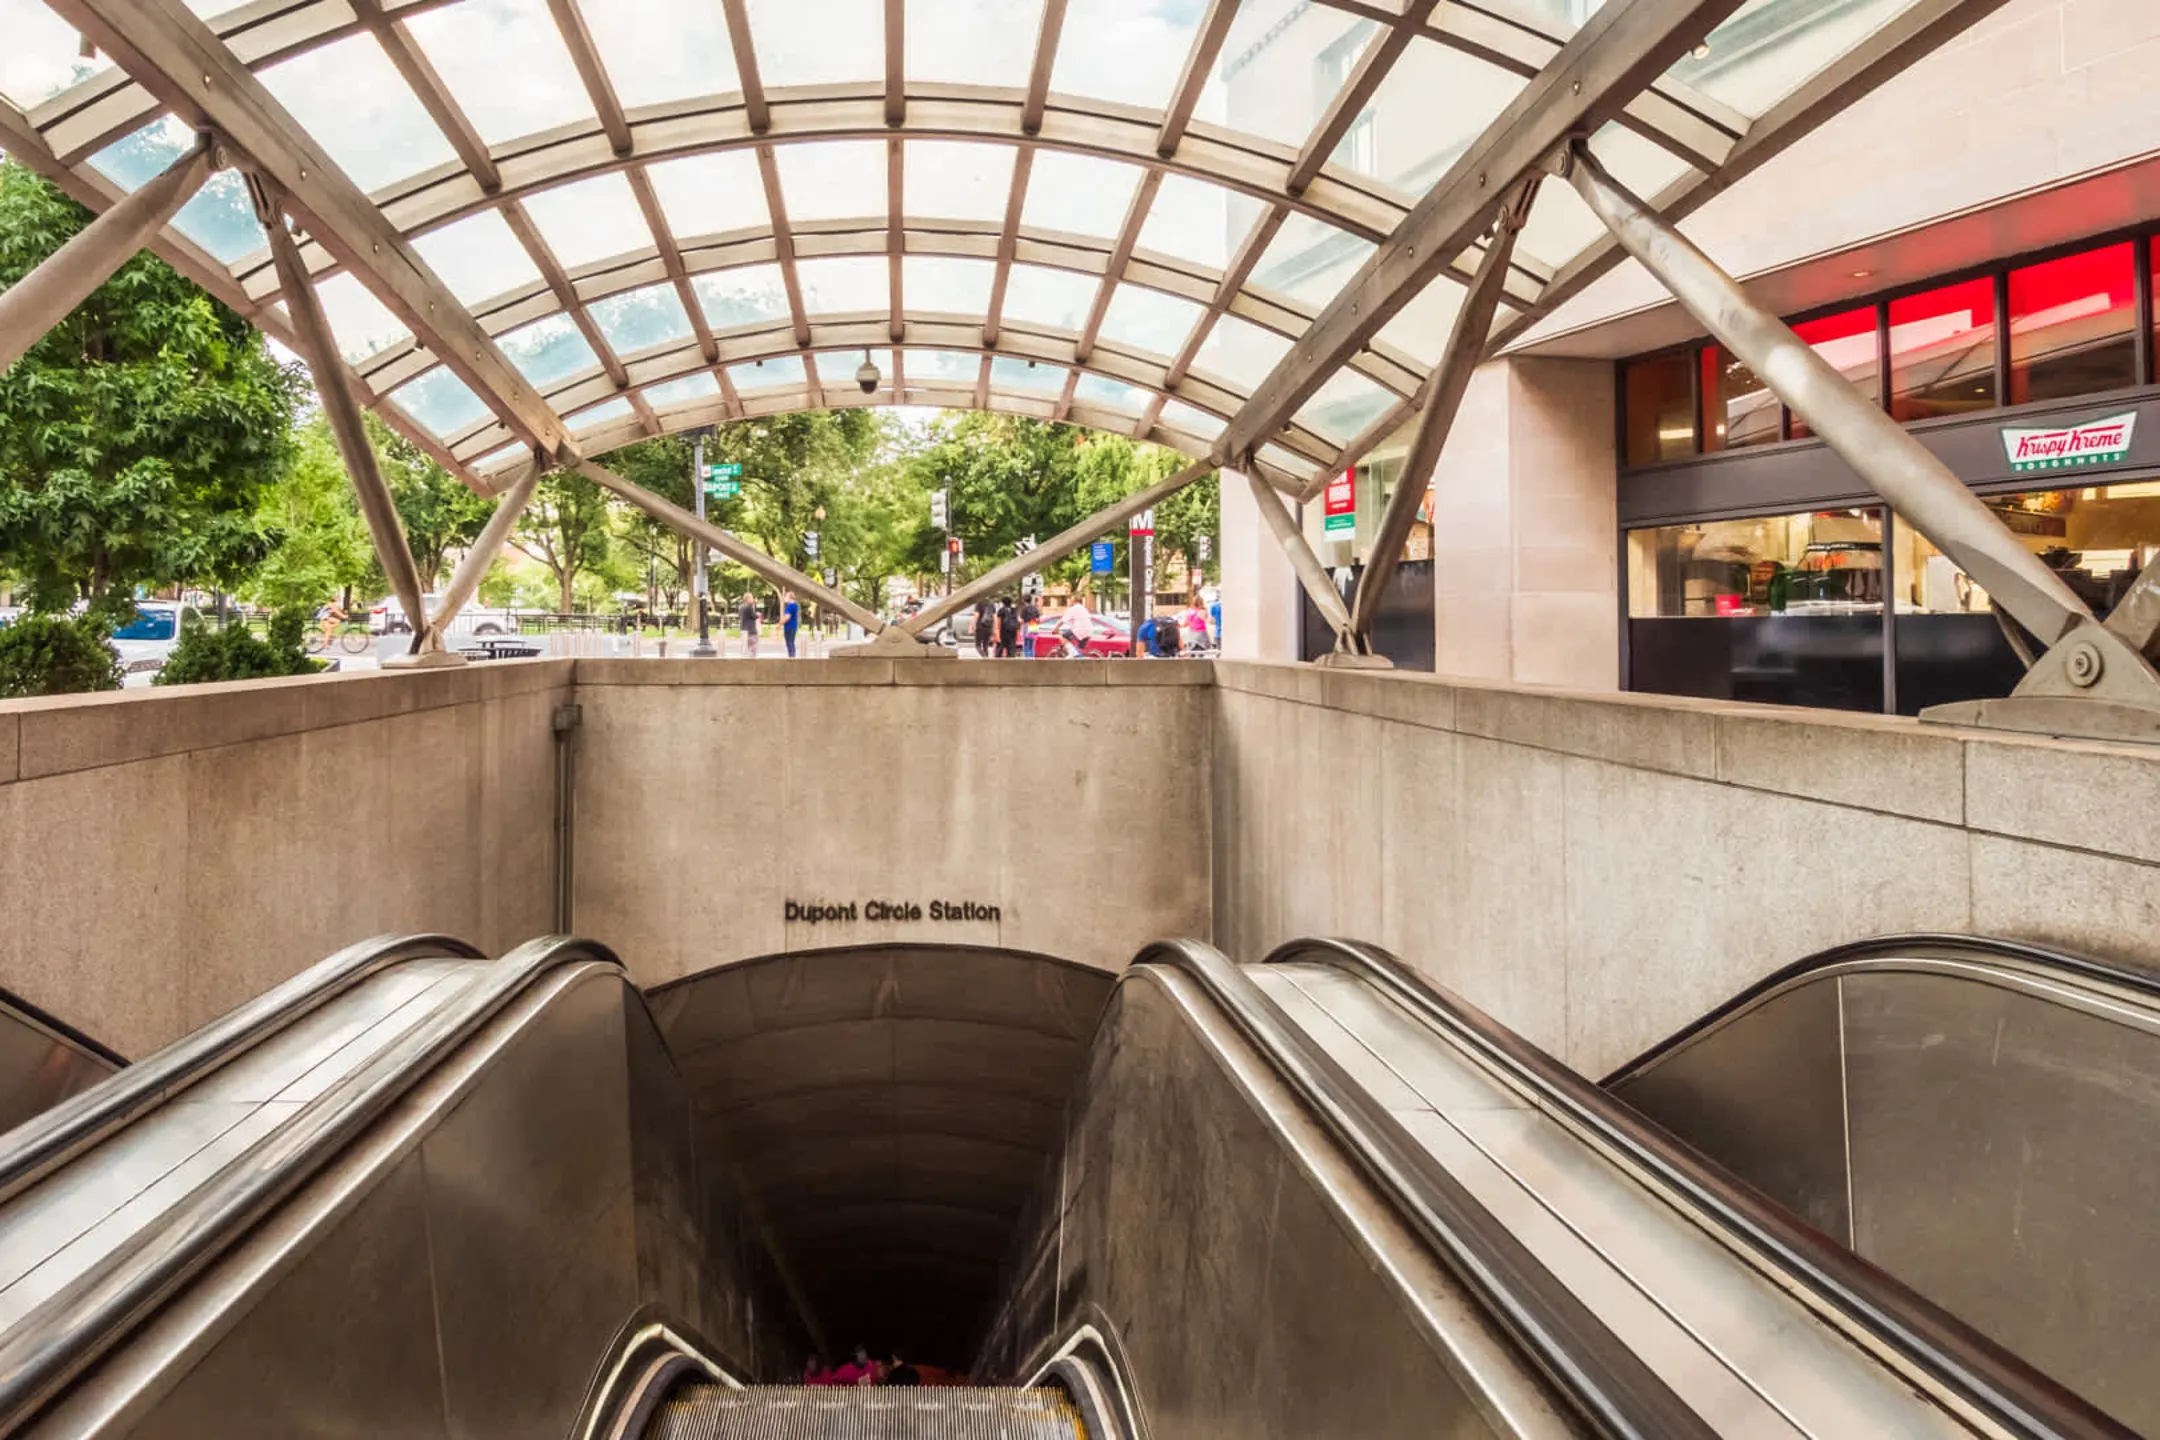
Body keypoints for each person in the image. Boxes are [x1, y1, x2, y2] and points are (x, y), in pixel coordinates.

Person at [738, 593, 759, 658]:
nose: (753, 599)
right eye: (752, 598)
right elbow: (754, 616)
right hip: (751, 630)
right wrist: (758, 614)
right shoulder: (749, 607)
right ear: (747, 599)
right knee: (753, 649)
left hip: (743, 629)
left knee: (744, 649)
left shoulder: (741, 607)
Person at [781, 589, 800, 658]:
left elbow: (787, 617)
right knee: (791, 642)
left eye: (786, 596)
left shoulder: (789, 606)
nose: (785, 598)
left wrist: (780, 624)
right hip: (794, 626)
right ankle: (793, 656)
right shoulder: (795, 605)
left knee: (789, 642)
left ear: (790, 598)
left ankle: (791, 657)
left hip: (788, 627)